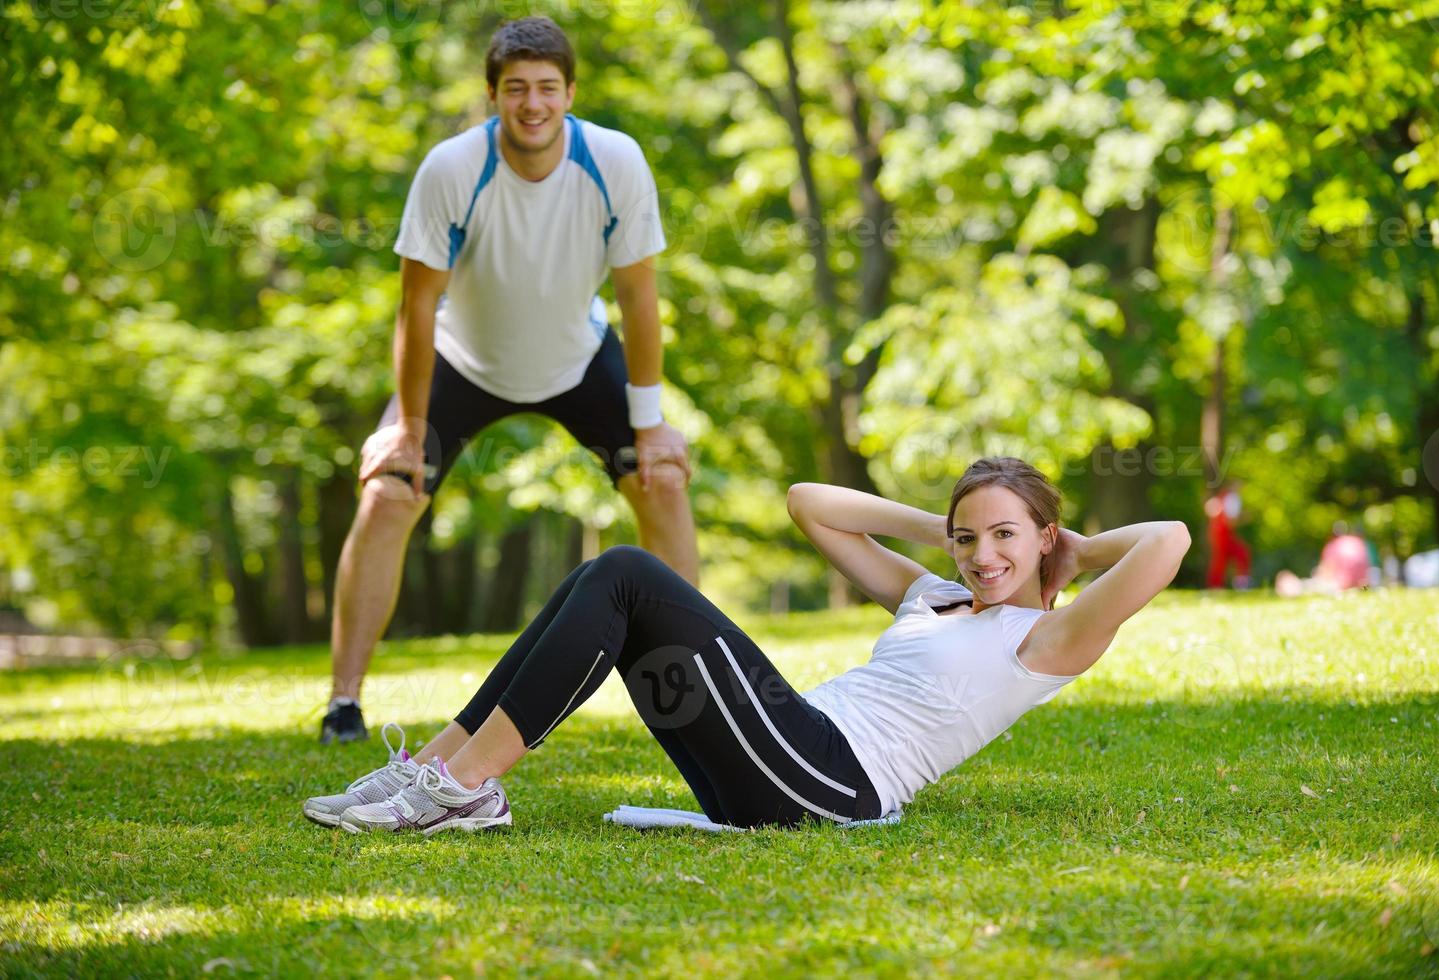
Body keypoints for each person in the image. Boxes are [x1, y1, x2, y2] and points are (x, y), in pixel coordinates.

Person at [302, 456, 1191, 833]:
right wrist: (950, 523)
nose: (982, 556)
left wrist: (1073, 551)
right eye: (970, 539)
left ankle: (463, 791)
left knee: (623, 570)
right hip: (789, 747)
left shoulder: (1049, 637)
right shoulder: (936, 592)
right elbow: (810, 501)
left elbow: (1170, 541)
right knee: (596, 584)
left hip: (830, 781)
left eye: (1005, 537)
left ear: (1043, 538)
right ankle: (439, 767)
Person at [320, 16, 699, 744]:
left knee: (665, 480)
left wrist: (650, 423)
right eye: (516, 88)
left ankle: (700, 690)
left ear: (570, 93)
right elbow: (417, 305)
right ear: (492, 95)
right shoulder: (452, 170)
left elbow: (638, 298)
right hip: (462, 363)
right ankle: (343, 704)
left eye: (547, 88)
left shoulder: (614, 161)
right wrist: (404, 425)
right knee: (387, 494)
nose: (532, 104)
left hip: (576, 359)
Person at [1204, 480, 1250, 589]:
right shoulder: (1233, 498)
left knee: (1221, 560)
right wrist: (1245, 518)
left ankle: (1216, 586)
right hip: (1222, 533)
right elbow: (1231, 522)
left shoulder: (1222, 497)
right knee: (1240, 554)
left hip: (1217, 532)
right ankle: (1239, 584)